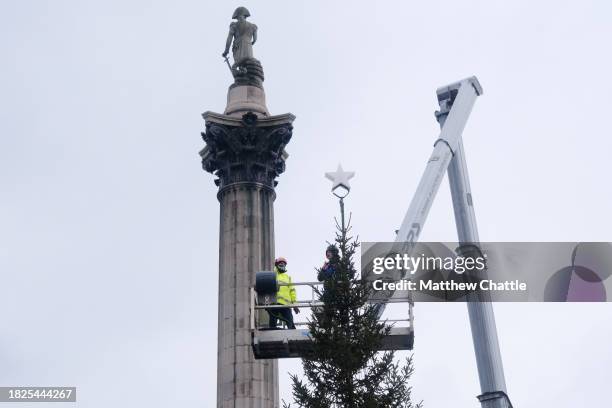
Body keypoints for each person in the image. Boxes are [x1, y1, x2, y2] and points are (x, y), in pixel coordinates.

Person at [268, 257, 299, 329]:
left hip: (286, 305)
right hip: (274, 303)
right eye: (280, 263)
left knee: (290, 322)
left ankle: (293, 336)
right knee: (272, 324)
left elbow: (292, 291)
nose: (282, 264)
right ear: (276, 265)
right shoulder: (272, 275)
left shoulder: (288, 277)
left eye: (284, 263)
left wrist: (295, 304)